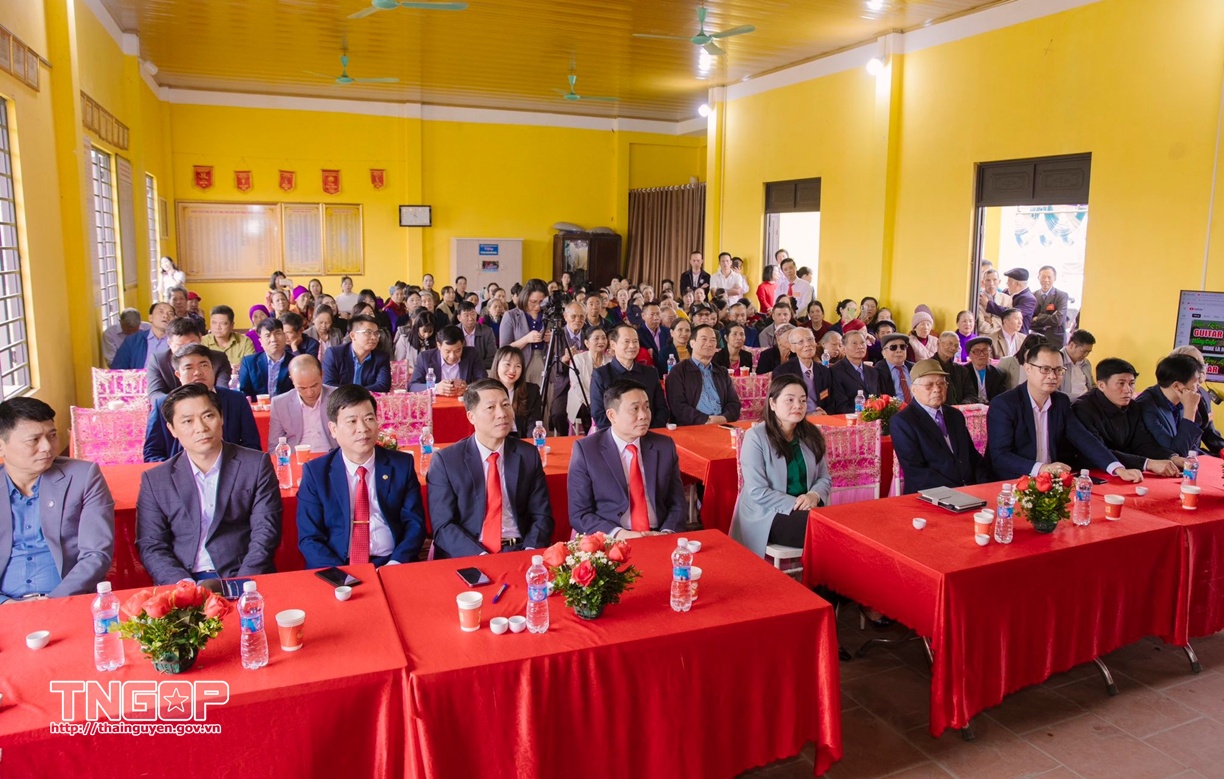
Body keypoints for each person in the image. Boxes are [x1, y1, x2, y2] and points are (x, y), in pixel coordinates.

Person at [135, 384, 281, 585]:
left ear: (221, 417)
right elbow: (151, 545)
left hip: (240, 574)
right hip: (182, 580)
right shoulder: (156, 479)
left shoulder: (255, 465)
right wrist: (183, 586)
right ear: (172, 429)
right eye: (187, 421)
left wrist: (244, 583)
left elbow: (266, 531)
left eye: (208, 416)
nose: (201, 428)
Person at [297, 385, 426, 568]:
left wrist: (396, 562)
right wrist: (341, 575)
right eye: (352, 421)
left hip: (391, 561)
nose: (363, 429)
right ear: (333, 429)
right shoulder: (316, 472)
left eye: (369, 419)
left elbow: (415, 524)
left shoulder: (401, 465)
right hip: (338, 565)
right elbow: (309, 537)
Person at [0, 398, 114, 602]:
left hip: (66, 598)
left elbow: (96, 554)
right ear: (2, 446)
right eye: (33, 440)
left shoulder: (83, 476)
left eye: (52, 435)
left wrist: (54, 600)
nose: (47, 447)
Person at [428, 380, 554, 558]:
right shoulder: (446, 461)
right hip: (470, 551)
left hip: (519, 548)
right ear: (471, 417)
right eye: (490, 408)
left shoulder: (528, 455)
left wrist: (530, 551)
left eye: (505, 405)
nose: (502, 414)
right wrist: (480, 556)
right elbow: (444, 526)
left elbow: (542, 515)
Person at [986, 345, 1144, 482]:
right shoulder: (1004, 404)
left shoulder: (1060, 402)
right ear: (1028, 368)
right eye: (1045, 369)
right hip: (1012, 480)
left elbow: (1084, 438)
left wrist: (1117, 468)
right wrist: (1043, 469)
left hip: (1053, 480)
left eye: (1059, 370)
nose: (1053, 376)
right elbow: (1000, 456)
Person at [730, 374, 832, 557]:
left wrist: (813, 495)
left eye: (802, 400)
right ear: (773, 404)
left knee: (838, 525)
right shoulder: (756, 437)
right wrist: (798, 503)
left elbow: (824, 477)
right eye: (790, 400)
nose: (798, 406)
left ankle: (824, 582)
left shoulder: (812, 435)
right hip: (767, 513)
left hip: (808, 509)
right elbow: (757, 490)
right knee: (823, 531)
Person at [568, 379, 685, 536]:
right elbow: (579, 513)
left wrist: (666, 532)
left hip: (658, 533)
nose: (643, 415)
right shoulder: (587, 451)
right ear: (612, 415)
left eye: (646, 407)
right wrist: (618, 534)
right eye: (634, 409)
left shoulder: (664, 446)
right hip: (612, 537)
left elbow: (677, 502)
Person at [144, 345, 260, 463]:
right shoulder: (163, 404)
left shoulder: (236, 400)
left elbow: (252, 446)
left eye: (204, 365)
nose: (198, 372)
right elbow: (152, 453)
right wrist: (172, 474)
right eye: (189, 368)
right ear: (178, 375)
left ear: (212, 368)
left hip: (231, 470)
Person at [891, 360, 992, 494]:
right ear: (913, 389)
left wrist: (983, 485)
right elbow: (916, 471)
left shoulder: (955, 415)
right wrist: (958, 492)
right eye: (929, 385)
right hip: (931, 495)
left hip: (970, 490)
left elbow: (972, 456)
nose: (937, 389)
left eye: (941, 383)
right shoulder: (903, 422)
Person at [1071, 359, 1181, 477]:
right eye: (1121, 383)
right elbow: (1098, 450)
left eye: (1131, 383)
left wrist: (1172, 457)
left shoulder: (1133, 407)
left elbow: (1143, 443)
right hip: (1091, 471)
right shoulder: (1083, 408)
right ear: (1101, 385)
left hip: (1126, 471)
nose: (1128, 389)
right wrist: (1148, 464)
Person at [589, 324, 669, 430]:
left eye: (635, 341)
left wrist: (648, 431)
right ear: (613, 345)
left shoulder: (651, 372)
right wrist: (624, 434)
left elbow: (661, 409)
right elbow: (599, 414)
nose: (632, 346)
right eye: (626, 341)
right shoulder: (601, 375)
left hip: (649, 433)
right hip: (616, 438)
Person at [666, 324, 742, 426]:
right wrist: (706, 420)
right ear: (692, 343)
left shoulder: (722, 371)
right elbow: (678, 407)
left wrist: (724, 418)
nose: (709, 344)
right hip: (693, 427)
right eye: (704, 339)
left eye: (713, 340)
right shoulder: (678, 371)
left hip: (722, 424)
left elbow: (734, 403)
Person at [1135, 353, 1209, 456]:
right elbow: (1177, 452)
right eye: (1195, 382)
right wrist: (1189, 412)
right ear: (1177, 386)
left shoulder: (1184, 399)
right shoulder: (1146, 407)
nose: (1198, 387)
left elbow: (1193, 448)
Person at [147, 317, 233, 401]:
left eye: (192, 344)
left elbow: (222, 389)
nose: (187, 351)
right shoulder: (158, 361)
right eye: (180, 346)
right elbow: (155, 394)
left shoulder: (218, 358)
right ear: (169, 343)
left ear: (200, 338)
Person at [268, 355, 337, 453]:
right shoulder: (280, 403)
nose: (310, 393)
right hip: (296, 457)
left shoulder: (338, 396)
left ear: (322, 375)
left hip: (332, 456)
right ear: (292, 380)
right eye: (302, 388)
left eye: (314, 385)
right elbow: (274, 446)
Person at [410, 325, 487, 395]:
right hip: (436, 404)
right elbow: (413, 386)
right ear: (439, 346)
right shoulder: (425, 357)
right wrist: (435, 388)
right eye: (447, 351)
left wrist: (468, 388)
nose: (452, 356)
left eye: (457, 351)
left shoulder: (472, 354)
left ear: (463, 344)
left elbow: (484, 382)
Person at [322, 314, 391, 392]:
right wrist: (357, 393)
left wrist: (356, 393)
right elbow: (329, 385)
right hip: (341, 402)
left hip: (368, 401)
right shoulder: (334, 354)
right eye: (368, 332)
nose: (374, 337)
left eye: (376, 333)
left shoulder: (381, 357)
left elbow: (383, 386)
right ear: (353, 335)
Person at [499, 278, 549, 385]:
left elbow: (559, 347)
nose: (538, 306)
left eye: (542, 302)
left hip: (545, 363)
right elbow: (504, 350)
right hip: (520, 363)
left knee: (544, 399)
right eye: (533, 302)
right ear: (525, 298)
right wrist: (526, 339)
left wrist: (551, 339)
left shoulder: (548, 315)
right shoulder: (511, 316)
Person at [774, 327, 832, 414]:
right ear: (792, 348)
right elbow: (781, 405)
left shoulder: (824, 371)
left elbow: (831, 401)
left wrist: (825, 413)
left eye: (810, 340)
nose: (807, 344)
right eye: (801, 342)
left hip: (821, 417)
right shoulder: (783, 372)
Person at [491, 346, 542, 438]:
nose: (512, 370)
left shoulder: (532, 391)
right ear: (497, 365)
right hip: (494, 440)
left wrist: (529, 445)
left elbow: (533, 423)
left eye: (518, 366)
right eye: (507, 364)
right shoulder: (485, 392)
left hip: (520, 439)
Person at [238, 318, 294, 401]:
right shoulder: (249, 363)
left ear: (285, 337)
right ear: (260, 341)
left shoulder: (295, 362)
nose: (273, 339)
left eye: (277, 333)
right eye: (267, 335)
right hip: (257, 411)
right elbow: (244, 393)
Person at [828, 331, 881, 414]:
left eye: (862, 343)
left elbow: (878, 399)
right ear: (844, 349)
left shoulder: (873, 371)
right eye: (854, 343)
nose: (860, 347)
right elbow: (840, 405)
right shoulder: (836, 371)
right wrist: (866, 414)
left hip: (874, 419)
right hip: (849, 419)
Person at [112, 301, 173, 370]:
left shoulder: (180, 341)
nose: (166, 316)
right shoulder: (133, 340)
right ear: (150, 318)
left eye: (170, 313)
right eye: (161, 312)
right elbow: (117, 369)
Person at [567, 327, 607, 433]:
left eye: (604, 338)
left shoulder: (610, 360)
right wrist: (594, 402)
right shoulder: (578, 359)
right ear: (587, 343)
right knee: (591, 410)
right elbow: (577, 386)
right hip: (582, 400)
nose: (601, 341)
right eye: (596, 338)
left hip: (605, 401)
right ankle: (590, 439)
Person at [952, 336, 1007, 404]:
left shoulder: (999, 374)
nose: (981, 354)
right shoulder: (962, 373)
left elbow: (1002, 398)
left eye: (985, 350)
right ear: (970, 355)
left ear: (990, 352)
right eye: (977, 351)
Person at [982, 267, 1036, 333]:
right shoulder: (1006, 292)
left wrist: (989, 305)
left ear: (1017, 284)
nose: (1007, 284)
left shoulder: (1029, 299)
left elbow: (1011, 314)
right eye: (988, 280)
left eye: (1009, 281)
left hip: (1018, 337)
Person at [202, 305, 255, 369]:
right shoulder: (203, 342)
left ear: (232, 325)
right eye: (214, 323)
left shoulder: (245, 342)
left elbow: (251, 366)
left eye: (223, 323)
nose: (218, 327)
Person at [1032, 265, 1069, 346]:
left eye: (1049, 277)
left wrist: (1037, 318)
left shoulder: (1061, 296)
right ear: (1038, 277)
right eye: (1043, 277)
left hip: (1055, 340)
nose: (1046, 280)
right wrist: (1049, 318)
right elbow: (1028, 320)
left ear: (1054, 278)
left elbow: (1058, 320)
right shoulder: (1032, 295)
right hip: (1036, 339)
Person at [455, 301, 497, 371]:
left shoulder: (487, 331)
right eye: (466, 315)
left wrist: (473, 367)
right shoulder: (454, 332)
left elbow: (492, 358)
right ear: (459, 318)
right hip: (459, 369)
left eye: (473, 314)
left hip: (481, 369)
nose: (471, 318)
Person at [873, 332, 914, 402]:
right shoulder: (877, 371)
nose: (899, 350)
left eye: (902, 347)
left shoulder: (914, 367)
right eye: (893, 347)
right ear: (884, 353)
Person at [1061, 330, 1096, 400]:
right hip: (1068, 403)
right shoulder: (1056, 361)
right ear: (1072, 345)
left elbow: (1092, 385)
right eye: (1084, 351)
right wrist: (1080, 399)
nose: (1086, 355)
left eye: (1089, 352)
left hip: (1086, 402)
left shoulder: (1086, 363)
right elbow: (1052, 392)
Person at [637, 302, 672, 372]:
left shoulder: (667, 332)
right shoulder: (638, 334)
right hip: (648, 372)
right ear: (643, 316)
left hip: (667, 370)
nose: (656, 318)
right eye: (652, 314)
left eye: (658, 314)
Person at [976, 268, 1011, 336]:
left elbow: (1009, 322)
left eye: (994, 280)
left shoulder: (1007, 299)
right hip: (984, 338)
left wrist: (992, 321)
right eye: (988, 280)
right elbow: (981, 326)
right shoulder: (978, 299)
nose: (991, 284)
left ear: (999, 281)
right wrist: (1000, 323)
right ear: (983, 282)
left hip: (1001, 338)